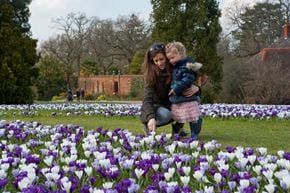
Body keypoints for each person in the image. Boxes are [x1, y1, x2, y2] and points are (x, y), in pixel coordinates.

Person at [140, 42, 199, 136]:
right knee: (167, 115)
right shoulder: (151, 75)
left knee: (190, 100)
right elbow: (147, 99)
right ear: (152, 61)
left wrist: (197, 88)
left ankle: (177, 129)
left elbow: (187, 80)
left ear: (167, 57)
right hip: (157, 107)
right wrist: (150, 117)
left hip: (172, 103)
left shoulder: (176, 68)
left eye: (162, 59)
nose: (159, 63)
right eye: (156, 61)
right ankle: (149, 125)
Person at [165, 41, 202, 140]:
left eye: (173, 58)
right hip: (179, 98)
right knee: (179, 117)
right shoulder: (177, 67)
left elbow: (188, 80)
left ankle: (195, 133)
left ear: (180, 54)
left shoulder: (186, 66)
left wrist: (176, 88)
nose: (171, 61)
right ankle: (178, 132)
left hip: (188, 98)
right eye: (169, 59)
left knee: (193, 117)